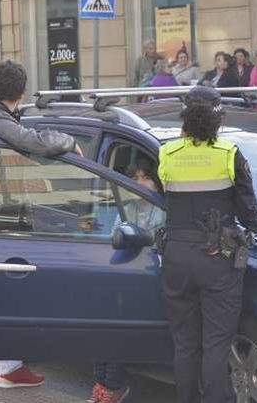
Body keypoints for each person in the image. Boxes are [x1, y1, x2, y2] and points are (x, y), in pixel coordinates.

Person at [0, 60, 81, 389]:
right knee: (11, 288)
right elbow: (36, 143)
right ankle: (6, 366)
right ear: (20, 92)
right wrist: (70, 143)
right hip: (0, 216)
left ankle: (6, 363)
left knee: (8, 287)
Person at [158, 86, 257, 403]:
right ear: (218, 118)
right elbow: (250, 214)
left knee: (185, 344)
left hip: (177, 257)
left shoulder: (167, 152)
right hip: (217, 258)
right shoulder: (229, 154)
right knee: (217, 344)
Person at [89, 164, 164, 403]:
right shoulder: (126, 206)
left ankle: (112, 385)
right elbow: (115, 238)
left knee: (115, 329)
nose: (140, 184)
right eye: (135, 178)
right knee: (103, 327)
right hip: (121, 274)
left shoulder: (162, 209)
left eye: (146, 178)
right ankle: (102, 384)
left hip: (147, 278)